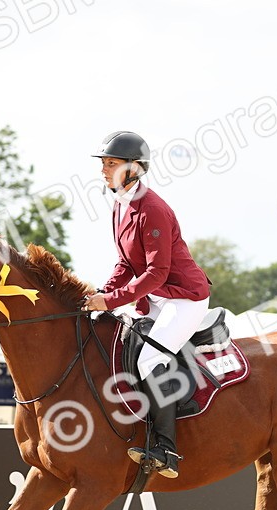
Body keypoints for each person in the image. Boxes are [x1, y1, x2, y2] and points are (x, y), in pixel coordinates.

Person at [80, 131, 212, 479]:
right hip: (156, 297)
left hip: (183, 297)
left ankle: (166, 447)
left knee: (150, 357)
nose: (104, 171)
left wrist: (110, 300)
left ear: (135, 168)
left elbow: (157, 272)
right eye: (104, 165)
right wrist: (99, 294)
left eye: (112, 164)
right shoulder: (120, 206)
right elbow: (125, 264)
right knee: (122, 343)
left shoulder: (151, 208)